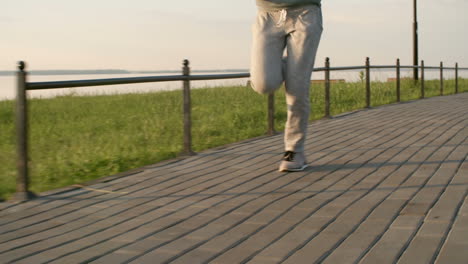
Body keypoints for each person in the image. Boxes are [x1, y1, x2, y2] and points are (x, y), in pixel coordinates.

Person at [250, 0, 323, 172]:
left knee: (297, 89)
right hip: (267, 14)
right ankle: (289, 67)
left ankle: (294, 151)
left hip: (304, 12)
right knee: (263, 84)